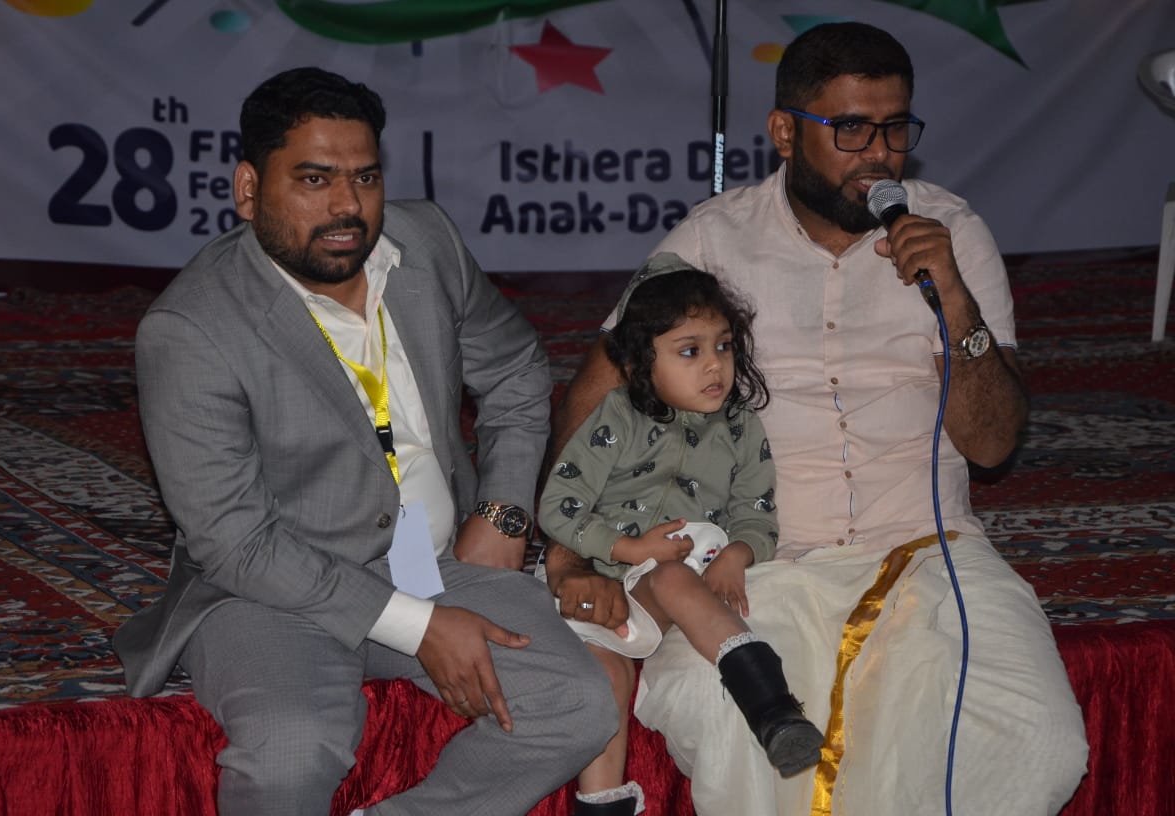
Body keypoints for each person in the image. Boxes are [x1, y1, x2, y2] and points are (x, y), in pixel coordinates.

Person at [543, 21, 1088, 816]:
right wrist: (567, 556)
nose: (879, 155)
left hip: (929, 551)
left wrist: (953, 298)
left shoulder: (952, 234)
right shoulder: (713, 240)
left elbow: (994, 444)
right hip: (759, 563)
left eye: (896, 128)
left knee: (1037, 741)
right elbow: (595, 393)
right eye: (852, 129)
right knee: (731, 724)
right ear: (785, 132)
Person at [112, 66, 616, 816]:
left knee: (578, 702)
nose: (347, 205)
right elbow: (235, 542)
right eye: (314, 179)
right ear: (248, 189)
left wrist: (505, 513)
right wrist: (421, 625)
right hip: (273, 589)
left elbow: (514, 367)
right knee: (291, 749)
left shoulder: (426, 244)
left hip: (438, 562)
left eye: (365, 178)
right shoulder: (191, 329)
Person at [537, 255, 824, 814]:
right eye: (689, 351)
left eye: (724, 346)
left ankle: (776, 714)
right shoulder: (617, 416)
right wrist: (629, 548)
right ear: (641, 364)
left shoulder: (740, 427)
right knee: (606, 678)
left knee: (671, 577)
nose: (715, 365)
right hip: (604, 588)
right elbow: (558, 506)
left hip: (670, 590)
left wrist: (739, 552)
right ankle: (601, 806)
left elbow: (758, 514)